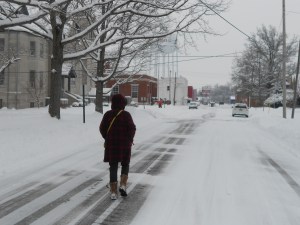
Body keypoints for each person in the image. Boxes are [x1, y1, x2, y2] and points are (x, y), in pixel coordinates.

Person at [99, 94, 136, 200]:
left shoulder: (107, 114)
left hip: (112, 145)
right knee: (125, 164)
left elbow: (102, 128)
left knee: (113, 166)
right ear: (123, 103)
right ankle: (123, 185)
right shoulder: (126, 115)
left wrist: (107, 137)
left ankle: (114, 191)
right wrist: (129, 139)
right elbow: (132, 128)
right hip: (124, 144)